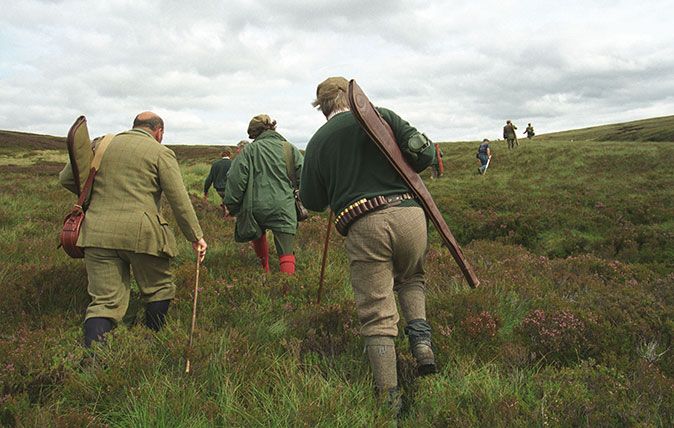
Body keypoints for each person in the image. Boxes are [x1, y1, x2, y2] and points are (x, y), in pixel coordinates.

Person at [300, 76, 437, 407]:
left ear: (323, 108)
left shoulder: (318, 141)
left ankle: (389, 396)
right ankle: (421, 346)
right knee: (412, 278)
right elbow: (424, 155)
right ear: (352, 97)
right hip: (410, 215)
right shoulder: (383, 115)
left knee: (377, 310)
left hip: (365, 224)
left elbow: (313, 200)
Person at [59, 112, 207, 347]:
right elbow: (179, 199)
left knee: (104, 302)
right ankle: (152, 341)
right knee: (159, 288)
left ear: (135, 126)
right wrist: (196, 236)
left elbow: (68, 178)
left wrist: (97, 199)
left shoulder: (101, 144)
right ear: (159, 132)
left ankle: (94, 362)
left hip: (97, 232)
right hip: (143, 234)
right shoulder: (160, 152)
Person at [224, 114, 303, 275]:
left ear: (254, 133)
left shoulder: (248, 151)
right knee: (286, 251)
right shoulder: (289, 148)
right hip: (284, 206)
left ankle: (264, 271)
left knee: (257, 234)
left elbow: (235, 179)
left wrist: (231, 205)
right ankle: (287, 288)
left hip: (255, 206)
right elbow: (305, 176)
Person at [204, 149, 233, 217]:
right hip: (230, 190)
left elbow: (209, 179)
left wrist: (205, 191)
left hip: (219, 190)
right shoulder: (233, 163)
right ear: (230, 155)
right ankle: (227, 216)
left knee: (225, 200)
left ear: (221, 154)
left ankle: (225, 212)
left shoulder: (215, 164)